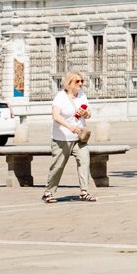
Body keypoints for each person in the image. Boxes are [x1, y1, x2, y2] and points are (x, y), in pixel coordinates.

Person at [44, 71, 92, 202]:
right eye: (77, 81)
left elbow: (89, 114)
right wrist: (69, 127)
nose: (80, 84)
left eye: (82, 81)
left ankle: (84, 191)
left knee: (84, 161)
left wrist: (86, 113)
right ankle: (49, 192)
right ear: (69, 83)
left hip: (79, 138)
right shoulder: (60, 97)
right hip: (62, 138)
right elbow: (56, 116)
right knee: (58, 166)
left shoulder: (82, 95)